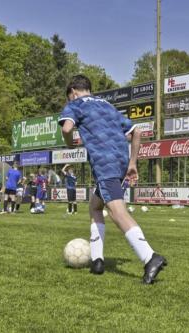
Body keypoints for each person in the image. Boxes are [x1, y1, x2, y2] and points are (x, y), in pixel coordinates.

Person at [59, 74, 166, 284]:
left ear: (72, 92)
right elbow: (137, 132)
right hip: (121, 161)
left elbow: (67, 128)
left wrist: (70, 144)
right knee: (95, 206)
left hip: (104, 163)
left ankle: (150, 257)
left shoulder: (76, 105)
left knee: (117, 212)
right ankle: (97, 260)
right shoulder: (108, 106)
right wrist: (133, 163)